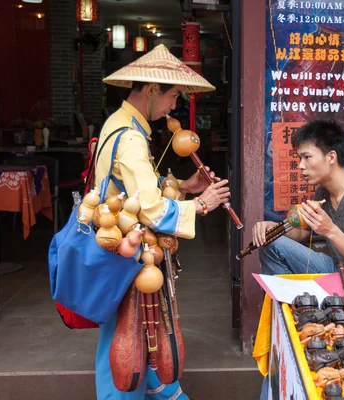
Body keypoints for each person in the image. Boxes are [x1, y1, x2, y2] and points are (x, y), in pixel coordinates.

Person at [94, 44, 230, 399]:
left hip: (128, 250)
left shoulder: (119, 124)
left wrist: (185, 186)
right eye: (173, 97)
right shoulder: (132, 140)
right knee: (128, 340)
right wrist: (201, 204)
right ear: (152, 90)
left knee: (142, 332)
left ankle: (165, 391)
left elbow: (136, 193)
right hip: (131, 254)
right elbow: (151, 210)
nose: (174, 107)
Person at [253, 119, 344, 275]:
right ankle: (286, 295)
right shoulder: (323, 192)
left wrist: (331, 230)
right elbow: (303, 234)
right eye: (300, 158)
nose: (300, 165)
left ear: (331, 157)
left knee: (273, 246)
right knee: (269, 242)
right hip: (336, 268)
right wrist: (275, 229)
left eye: (307, 157)